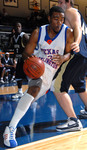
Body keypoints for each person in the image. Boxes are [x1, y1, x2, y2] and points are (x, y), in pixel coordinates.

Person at [3, 6, 75, 147]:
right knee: (34, 89)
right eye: (55, 19)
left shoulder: (68, 33)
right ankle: (10, 129)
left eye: (61, 19)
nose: (59, 22)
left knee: (30, 99)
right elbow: (25, 53)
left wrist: (63, 58)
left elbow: (69, 53)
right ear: (49, 18)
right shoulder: (38, 32)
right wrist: (32, 60)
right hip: (37, 70)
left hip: (52, 73)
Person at [52, 0, 87, 132]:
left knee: (56, 85)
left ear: (68, 2)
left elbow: (77, 27)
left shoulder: (70, 11)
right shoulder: (73, 14)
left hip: (76, 54)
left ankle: (73, 121)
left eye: (61, 2)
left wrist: (76, 43)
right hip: (83, 55)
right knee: (79, 84)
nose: (58, 4)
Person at [8, 22, 29, 99]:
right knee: (18, 76)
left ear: (21, 27)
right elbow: (13, 49)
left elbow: (31, 46)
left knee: (29, 76)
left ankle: (31, 93)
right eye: (16, 27)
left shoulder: (24, 36)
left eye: (19, 26)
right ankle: (20, 92)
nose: (18, 28)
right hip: (18, 59)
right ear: (14, 28)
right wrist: (14, 59)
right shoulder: (13, 37)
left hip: (26, 59)